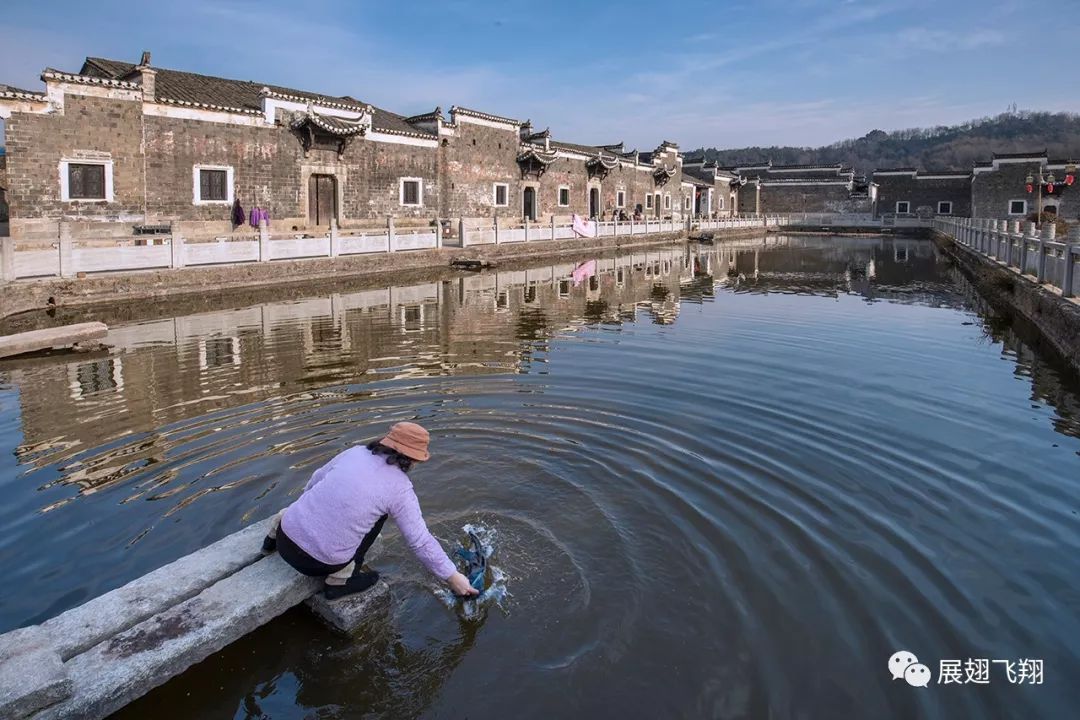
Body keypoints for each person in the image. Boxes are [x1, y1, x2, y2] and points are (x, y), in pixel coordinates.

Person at [262, 422, 479, 600]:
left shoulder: (354, 452)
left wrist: (311, 511)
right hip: (317, 564)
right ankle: (340, 581)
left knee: (319, 498)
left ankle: (268, 543)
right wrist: (453, 577)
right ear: (413, 459)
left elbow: (316, 479)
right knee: (379, 520)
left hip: (284, 537)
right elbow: (420, 541)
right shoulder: (400, 488)